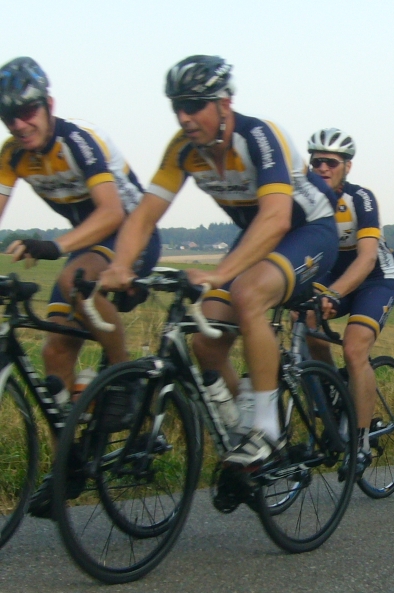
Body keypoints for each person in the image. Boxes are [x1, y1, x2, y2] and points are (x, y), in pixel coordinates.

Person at [100, 55, 339, 469]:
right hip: (259, 235)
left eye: (194, 105)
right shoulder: (183, 149)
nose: (184, 116)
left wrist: (220, 273)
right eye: (177, 106)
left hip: (308, 229)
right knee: (205, 338)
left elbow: (277, 217)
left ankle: (267, 431)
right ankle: (242, 426)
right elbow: (143, 215)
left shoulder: (258, 136)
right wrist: (122, 265)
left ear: (224, 104)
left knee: (247, 294)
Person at [0, 56, 160, 516]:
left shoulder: (77, 142)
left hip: (131, 233)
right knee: (54, 353)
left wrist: (54, 246)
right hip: (86, 244)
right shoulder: (13, 152)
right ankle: (70, 464)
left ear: (48, 104)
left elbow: (110, 212)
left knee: (73, 277)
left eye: (28, 111)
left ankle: (124, 378)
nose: (20, 122)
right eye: (8, 115)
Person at [304, 128, 394, 476]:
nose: (323, 168)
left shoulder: (361, 199)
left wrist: (333, 295)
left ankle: (360, 442)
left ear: (347, 166)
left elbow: (365, 260)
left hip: (375, 278)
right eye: (316, 161)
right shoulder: (303, 199)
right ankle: (332, 393)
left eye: (331, 162)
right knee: (306, 324)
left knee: (354, 347)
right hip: (333, 277)